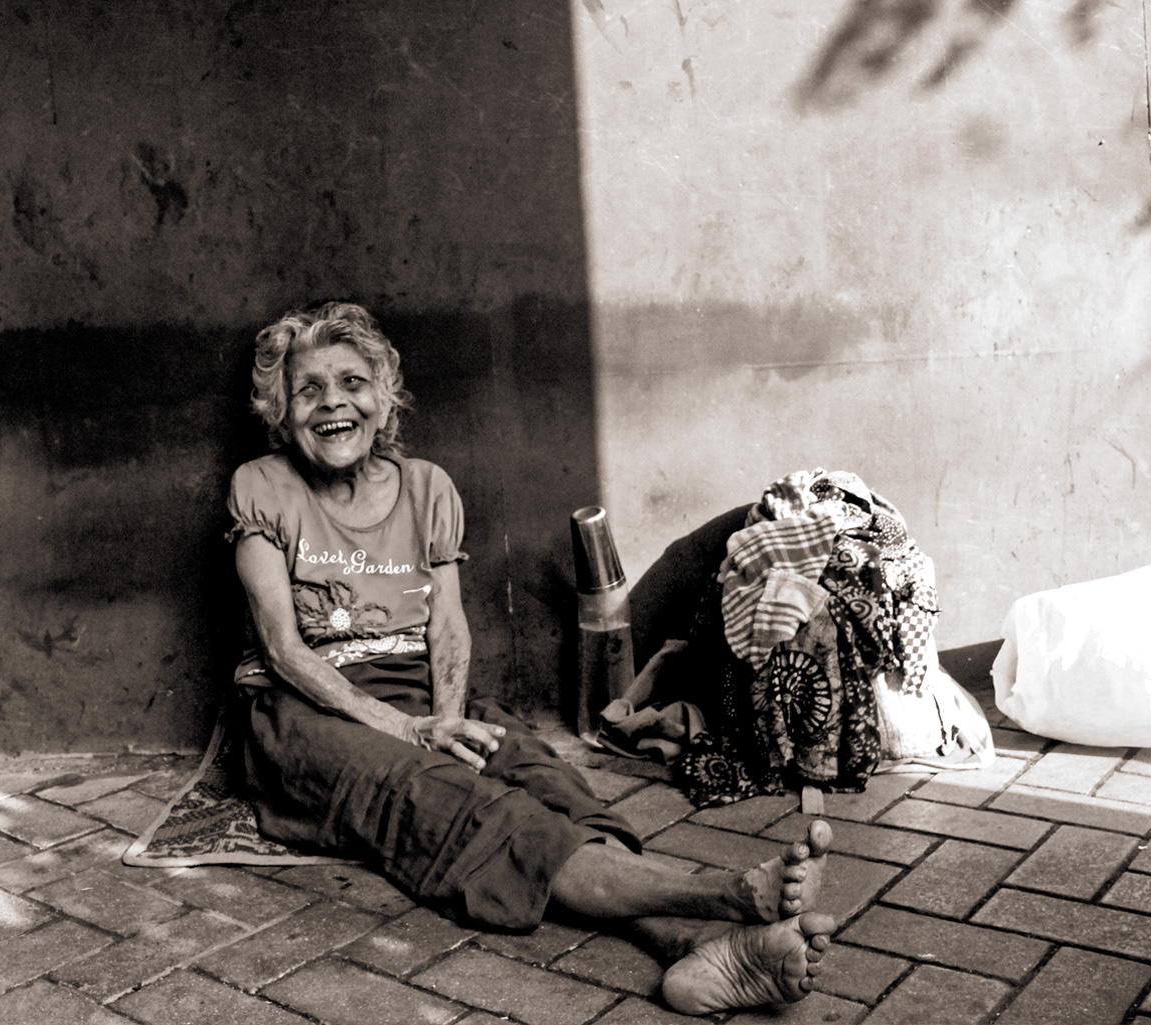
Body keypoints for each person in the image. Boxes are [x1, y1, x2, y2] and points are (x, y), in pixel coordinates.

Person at [226, 300, 837, 1014]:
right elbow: (282, 648)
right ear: (281, 409)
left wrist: (444, 722)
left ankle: (687, 945)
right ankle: (725, 896)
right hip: (309, 707)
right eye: (308, 389)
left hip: (420, 691)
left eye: (352, 382)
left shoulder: (425, 486)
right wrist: (409, 733)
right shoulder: (261, 486)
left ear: (383, 398)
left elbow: (447, 625)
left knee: (541, 776)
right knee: (453, 799)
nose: (333, 402)